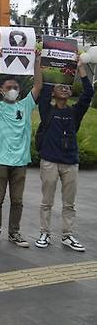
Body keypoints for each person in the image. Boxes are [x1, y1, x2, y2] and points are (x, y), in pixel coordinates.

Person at [35, 56, 94, 251]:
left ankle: (67, 235)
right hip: (49, 161)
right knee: (47, 202)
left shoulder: (74, 112)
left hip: (70, 163)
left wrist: (81, 67)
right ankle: (44, 233)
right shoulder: (47, 109)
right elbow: (41, 89)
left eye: (68, 87)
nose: (65, 88)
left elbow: (88, 93)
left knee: (69, 203)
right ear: (53, 91)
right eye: (60, 86)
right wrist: (40, 63)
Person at [0, 49, 42, 248]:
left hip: (20, 161)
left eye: (15, 87)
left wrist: (36, 61)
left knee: (17, 200)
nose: (13, 90)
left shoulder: (26, 105)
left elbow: (38, 85)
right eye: (9, 87)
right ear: (1, 90)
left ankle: (14, 232)